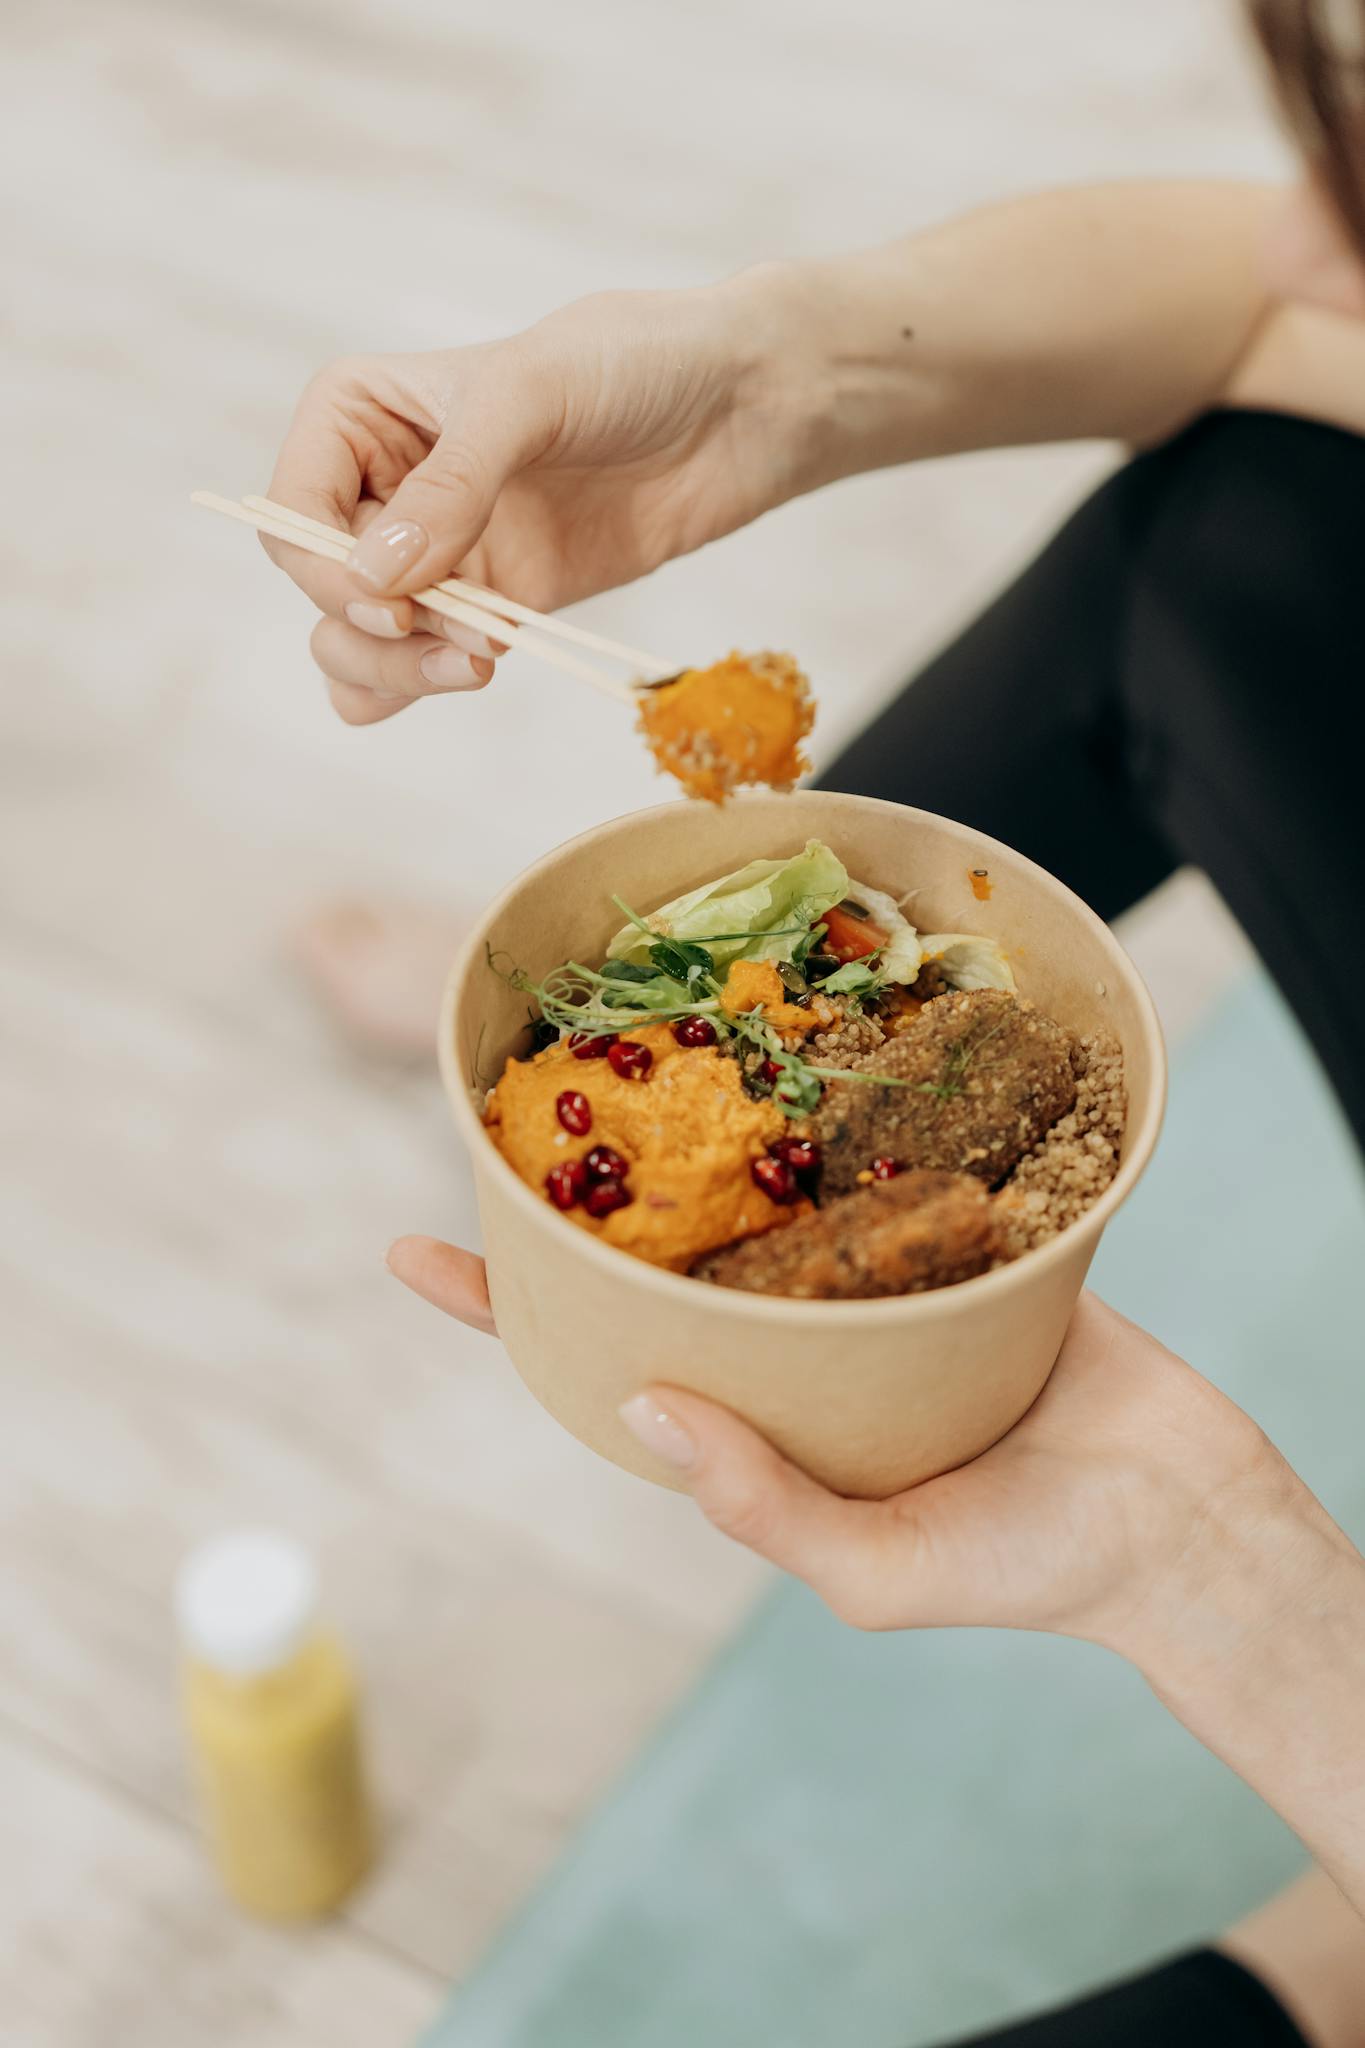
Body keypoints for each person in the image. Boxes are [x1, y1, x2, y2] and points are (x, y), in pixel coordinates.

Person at [258, 3, 1365, 2040]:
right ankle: (725, 988)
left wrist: (1221, 1590)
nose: (1303, 247)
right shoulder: (1327, 278)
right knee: (1236, 523)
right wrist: (761, 374)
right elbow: (1273, 323)